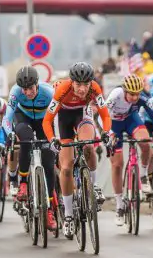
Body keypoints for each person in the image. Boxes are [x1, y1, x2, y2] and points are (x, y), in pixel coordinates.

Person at [43, 62, 111, 240]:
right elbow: (47, 121)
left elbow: (104, 115)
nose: (82, 89)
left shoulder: (94, 88)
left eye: (85, 85)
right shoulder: (61, 90)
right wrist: (52, 140)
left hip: (83, 115)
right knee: (65, 167)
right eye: (78, 84)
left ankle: (94, 187)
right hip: (63, 119)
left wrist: (106, 132)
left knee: (89, 146)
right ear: (71, 82)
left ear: (90, 83)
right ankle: (68, 216)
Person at [2, 66, 56, 230]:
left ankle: (49, 209)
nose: (28, 93)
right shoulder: (15, 92)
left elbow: (58, 115)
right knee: (25, 141)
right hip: (23, 117)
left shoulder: (48, 92)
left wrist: (56, 137)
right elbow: (7, 118)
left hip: (43, 121)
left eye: (31, 88)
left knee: (48, 163)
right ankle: (23, 182)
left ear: (37, 84)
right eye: (24, 89)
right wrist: (10, 133)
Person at [105, 74, 153, 226]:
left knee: (146, 143)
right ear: (124, 90)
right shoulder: (116, 95)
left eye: (137, 94)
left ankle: (142, 175)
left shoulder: (142, 97)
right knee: (117, 165)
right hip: (114, 123)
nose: (135, 97)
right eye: (132, 94)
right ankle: (119, 205)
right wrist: (109, 134)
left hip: (131, 120)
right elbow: (103, 115)